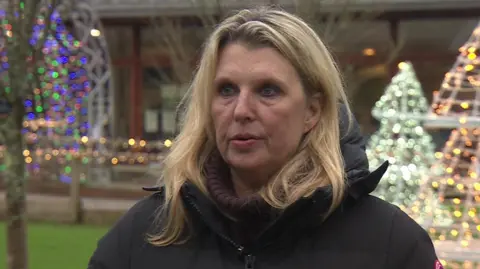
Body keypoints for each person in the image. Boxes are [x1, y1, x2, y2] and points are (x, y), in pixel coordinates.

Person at [88, 6, 441, 269]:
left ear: (312, 111)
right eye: (226, 90)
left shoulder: (391, 244)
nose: (241, 110)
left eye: (268, 91)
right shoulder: (145, 233)